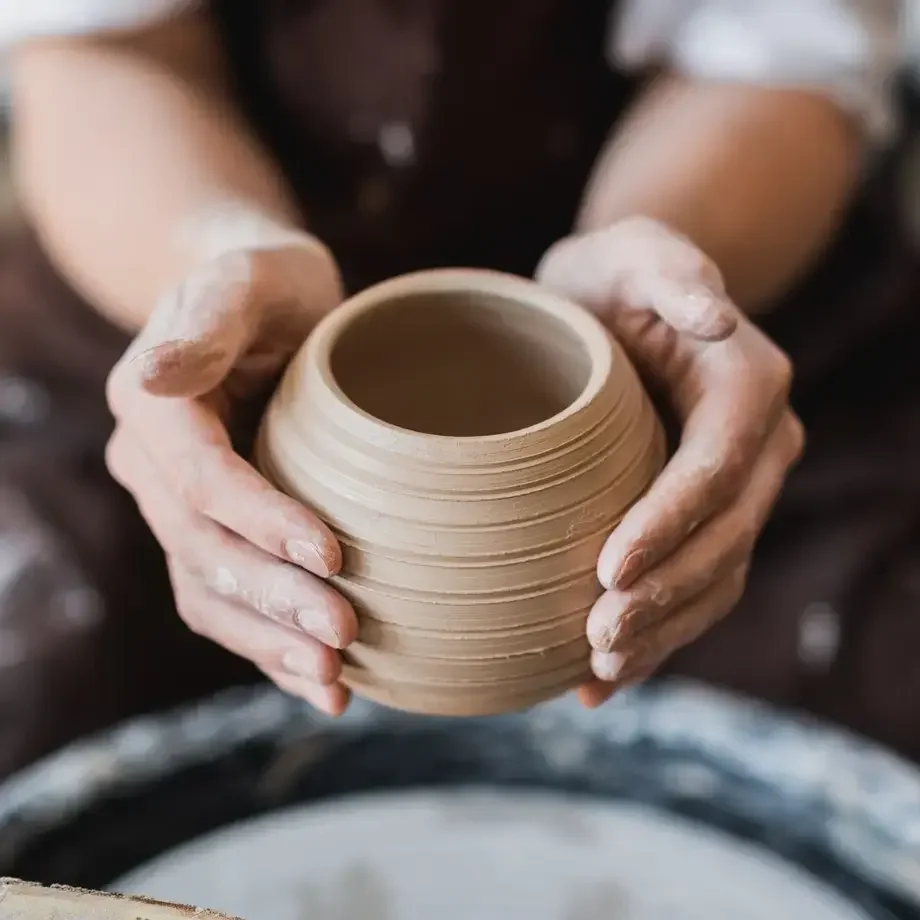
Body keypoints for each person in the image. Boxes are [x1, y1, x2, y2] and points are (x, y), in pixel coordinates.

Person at [0, 0, 916, 776]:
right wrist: (214, 259)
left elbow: (772, 54)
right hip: (187, 290)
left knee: (877, 675)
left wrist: (672, 258)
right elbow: (102, 47)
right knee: (38, 670)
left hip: (684, 314)